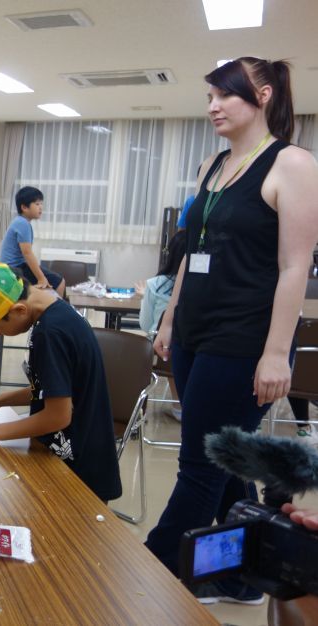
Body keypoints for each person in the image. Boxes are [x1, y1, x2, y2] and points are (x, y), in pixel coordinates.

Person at [146, 57, 318, 605]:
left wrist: (275, 355)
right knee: (228, 459)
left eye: (227, 95)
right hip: (196, 331)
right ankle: (243, 574)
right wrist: (170, 319)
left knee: (198, 464)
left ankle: (151, 572)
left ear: (264, 95)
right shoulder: (212, 165)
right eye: (210, 96)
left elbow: (294, 267)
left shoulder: (291, 164)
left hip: (245, 338)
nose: (213, 106)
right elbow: (189, 252)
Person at [0, 262, 122, 502]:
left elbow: (58, 416)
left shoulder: (49, 334)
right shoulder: (56, 311)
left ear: (19, 310)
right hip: (69, 456)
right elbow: (52, 388)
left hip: (78, 472)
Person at [136, 230, 188, 419]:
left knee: (168, 349)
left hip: (162, 356)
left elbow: (145, 324)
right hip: (197, 357)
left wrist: (146, 297)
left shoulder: (155, 284)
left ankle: (178, 406)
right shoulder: (204, 286)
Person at [0, 186, 66, 297]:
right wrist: (41, 278)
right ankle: (55, 312)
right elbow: (27, 253)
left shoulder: (20, 222)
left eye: (41, 204)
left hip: (14, 266)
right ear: (24, 207)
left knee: (53, 280)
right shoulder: (23, 224)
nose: (41, 207)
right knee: (58, 282)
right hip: (15, 269)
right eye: (37, 204)